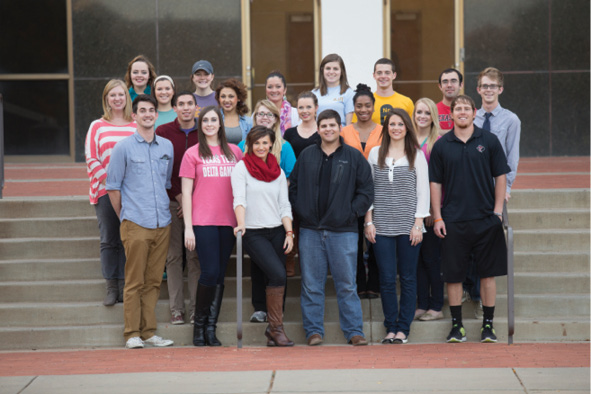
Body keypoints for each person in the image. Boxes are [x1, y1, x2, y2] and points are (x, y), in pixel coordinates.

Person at [429, 95, 510, 344]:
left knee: (487, 275)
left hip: (486, 218)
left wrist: (497, 212)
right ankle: (457, 327)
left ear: (474, 112)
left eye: (466, 108)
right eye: (458, 109)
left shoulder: (489, 140)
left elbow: (500, 177)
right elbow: (435, 184)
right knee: (453, 275)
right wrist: (438, 216)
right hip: (453, 220)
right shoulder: (442, 145)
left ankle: (488, 326)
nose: (462, 112)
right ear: (450, 114)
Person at [289, 109, 373, 346]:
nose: (328, 129)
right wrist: (302, 210)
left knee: (347, 284)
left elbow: (366, 190)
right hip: (311, 231)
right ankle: (313, 331)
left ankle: (354, 331)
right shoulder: (306, 155)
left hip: (344, 232)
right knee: (311, 285)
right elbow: (293, 187)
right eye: (323, 126)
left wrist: (351, 213)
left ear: (340, 127)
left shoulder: (354, 156)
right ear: (318, 129)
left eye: (332, 125)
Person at [106, 94, 175, 349]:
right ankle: (131, 333)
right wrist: (125, 216)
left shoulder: (167, 146)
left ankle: (148, 332)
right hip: (135, 222)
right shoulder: (123, 148)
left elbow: (166, 183)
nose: (147, 114)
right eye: (142, 110)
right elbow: (113, 187)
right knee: (134, 281)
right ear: (134, 116)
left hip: (162, 223)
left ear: (157, 115)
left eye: (151, 110)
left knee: (154, 280)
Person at [364, 109, 429, 344]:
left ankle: (403, 329)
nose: (396, 128)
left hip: (408, 226)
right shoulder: (374, 154)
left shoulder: (416, 155)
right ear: (386, 127)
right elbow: (368, 191)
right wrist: (368, 221)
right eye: (392, 124)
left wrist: (418, 223)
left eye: (400, 124)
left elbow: (423, 191)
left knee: (409, 278)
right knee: (387, 279)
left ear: (407, 128)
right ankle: (390, 327)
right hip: (380, 227)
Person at [180, 106, 243, 347]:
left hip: (228, 222)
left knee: (219, 274)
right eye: (205, 120)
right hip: (202, 221)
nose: (209, 124)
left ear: (220, 123)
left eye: (213, 119)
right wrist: (188, 228)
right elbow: (186, 193)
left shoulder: (235, 152)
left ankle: (210, 329)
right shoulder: (192, 153)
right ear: (200, 124)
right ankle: (199, 329)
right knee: (209, 272)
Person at [231, 126, 295, 347]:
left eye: (264, 143)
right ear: (249, 144)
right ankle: (276, 329)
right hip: (254, 232)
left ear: (271, 144)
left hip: (277, 230)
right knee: (278, 275)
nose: (260, 147)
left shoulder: (277, 170)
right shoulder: (241, 168)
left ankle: (273, 331)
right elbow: (239, 199)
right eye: (256, 143)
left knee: (276, 277)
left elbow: (284, 204)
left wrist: (289, 232)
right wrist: (240, 223)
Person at [239, 99, 297, 322]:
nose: (264, 117)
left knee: (276, 265)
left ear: (276, 118)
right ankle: (260, 307)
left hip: (277, 215)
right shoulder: (247, 146)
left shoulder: (285, 147)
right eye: (260, 114)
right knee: (258, 264)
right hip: (254, 218)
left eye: (269, 114)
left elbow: (290, 178)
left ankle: (276, 313)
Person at [85, 79, 136, 306]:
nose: (117, 99)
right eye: (112, 95)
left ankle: (126, 285)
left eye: (121, 95)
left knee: (128, 239)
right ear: (106, 98)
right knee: (109, 240)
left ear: (127, 97)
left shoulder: (136, 125)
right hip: (105, 190)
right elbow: (91, 157)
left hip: (132, 192)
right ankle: (111, 287)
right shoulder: (97, 125)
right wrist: (110, 182)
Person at [155, 90, 201, 325]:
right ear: (174, 108)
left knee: (194, 258)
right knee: (173, 256)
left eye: (189, 103)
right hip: (171, 201)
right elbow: (162, 170)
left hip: (199, 202)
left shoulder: (204, 131)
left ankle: (195, 309)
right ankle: (176, 310)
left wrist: (191, 199)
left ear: (196, 106)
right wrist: (180, 196)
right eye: (180, 104)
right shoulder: (163, 132)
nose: (185, 107)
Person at [340, 83, 382, 300]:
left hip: (380, 192)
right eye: (359, 106)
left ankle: (374, 283)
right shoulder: (344, 131)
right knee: (353, 241)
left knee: (376, 240)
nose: (363, 109)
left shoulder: (384, 131)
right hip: (350, 194)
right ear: (353, 107)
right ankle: (358, 283)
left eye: (367, 105)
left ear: (373, 106)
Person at [411, 98, 444, 322]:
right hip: (411, 209)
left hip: (431, 210)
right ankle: (422, 304)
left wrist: (434, 210)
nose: (422, 116)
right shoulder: (407, 139)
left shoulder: (439, 142)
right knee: (417, 260)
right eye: (418, 112)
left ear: (433, 116)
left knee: (432, 259)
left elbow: (441, 180)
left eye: (426, 112)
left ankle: (437, 306)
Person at [282, 91, 321, 278]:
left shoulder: (323, 131)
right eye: (301, 107)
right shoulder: (290, 133)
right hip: (294, 186)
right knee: (292, 222)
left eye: (308, 107)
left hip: (317, 187)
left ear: (316, 108)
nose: (304, 111)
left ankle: (311, 264)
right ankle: (290, 257)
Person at [475, 67, 521, 202]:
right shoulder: (472, 118)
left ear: (500, 89)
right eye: (485, 86)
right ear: (479, 90)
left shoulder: (511, 120)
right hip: (474, 180)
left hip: (497, 181)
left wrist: (506, 187)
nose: (488, 89)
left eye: (493, 86)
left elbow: (512, 156)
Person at [356, 58, 413, 124]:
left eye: (387, 73)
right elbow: (356, 129)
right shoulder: (365, 102)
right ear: (374, 76)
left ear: (394, 75)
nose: (383, 76)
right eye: (379, 73)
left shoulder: (407, 102)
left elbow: (412, 130)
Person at [312, 54, 355, 126]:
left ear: (341, 71)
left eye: (335, 69)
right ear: (322, 70)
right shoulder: (314, 93)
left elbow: (349, 126)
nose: (331, 72)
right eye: (328, 68)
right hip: (319, 135)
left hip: (341, 135)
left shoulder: (349, 93)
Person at [215, 78, 252, 144]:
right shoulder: (214, 120)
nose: (226, 100)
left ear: (238, 98)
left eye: (231, 96)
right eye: (223, 96)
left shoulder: (248, 122)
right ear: (219, 99)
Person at [265, 70, 300, 135]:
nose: (274, 90)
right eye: (270, 87)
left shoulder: (295, 113)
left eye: (278, 86)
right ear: (266, 90)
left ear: (284, 90)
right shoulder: (259, 113)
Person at [436, 68, 463, 133]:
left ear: (461, 85)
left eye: (453, 81)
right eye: (445, 82)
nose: (449, 85)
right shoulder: (432, 110)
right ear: (440, 86)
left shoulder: (470, 110)